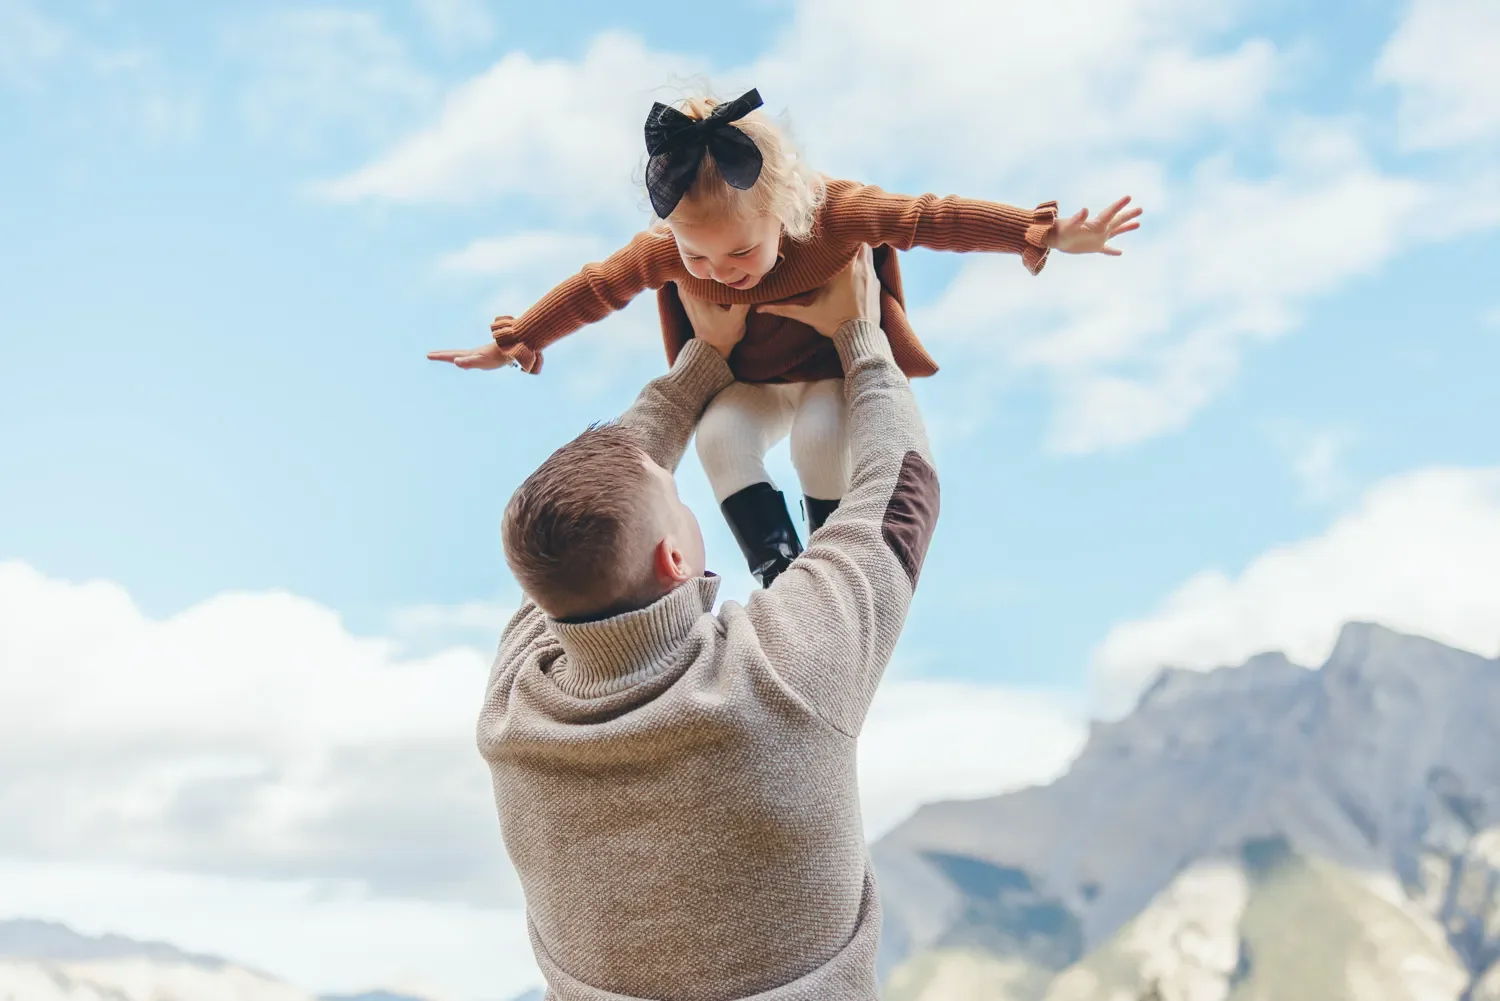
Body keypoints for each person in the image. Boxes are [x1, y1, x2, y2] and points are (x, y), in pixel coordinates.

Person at [430, 87, 1139, 587]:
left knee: (819, 441)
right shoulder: (668, 252)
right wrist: (520, 336)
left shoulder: (834, 216)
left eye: (740, 254)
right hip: (751, 381)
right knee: (717, 439)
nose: (719, 273)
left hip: (831, 367)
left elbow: (930, 217)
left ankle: (831, 561)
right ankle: (776, 564)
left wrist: (1033, 230)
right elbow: (596, 286)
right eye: (698, 259)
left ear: (783, 210)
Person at [479, 246, 935, 1001]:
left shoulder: (512, 706)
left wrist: (704, 360)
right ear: (677, 553)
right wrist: (863, 339)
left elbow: (602, 490)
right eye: (680, 496)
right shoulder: (779, 674)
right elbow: (898, 491)